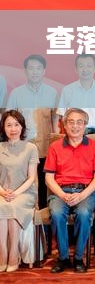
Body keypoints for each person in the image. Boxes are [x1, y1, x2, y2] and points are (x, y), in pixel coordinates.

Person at [44, 108, 95, 273]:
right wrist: (62, 194)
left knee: (84, 214)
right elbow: (49, 178)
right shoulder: (55, 147)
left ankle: (78, 258)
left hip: (84, 191)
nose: (75, 126)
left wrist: (81, 195)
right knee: (57, 214)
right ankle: (63, 258)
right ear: (64, 125)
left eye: (79, 122)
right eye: (71, 122)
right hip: (60, 191)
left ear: (85, 125)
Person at [7, 54, 58, 207]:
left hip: (46, 147)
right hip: (23, 147)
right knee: (25, 182)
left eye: (38, 68)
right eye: (31, 68)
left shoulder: (52, 93)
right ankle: (27, 214)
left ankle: (43, 215)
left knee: (44, 182)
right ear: (25, 71)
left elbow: (55, 120)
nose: (35, 72)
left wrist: (57, 143)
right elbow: (9, 120)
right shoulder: (16, 93)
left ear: (44, 71)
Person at [0, 110, 38, 272]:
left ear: (22, 127)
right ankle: (3, 254)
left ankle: (14, 254)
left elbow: (31, 178)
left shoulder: (31, 148)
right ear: (3, 128)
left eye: (16, 125)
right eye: (9, 125)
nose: (13, 129)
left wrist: (15, 193)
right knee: (2, 206)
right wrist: (3, 192)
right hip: (3, 192)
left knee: (13, 206)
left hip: (25, 193)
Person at [56, 53, 95, 135]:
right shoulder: (67, 90)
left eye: (89, 66)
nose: (85, 69)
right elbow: (62, 116)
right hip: (73, 133)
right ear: (76, 69)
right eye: (81, 66)